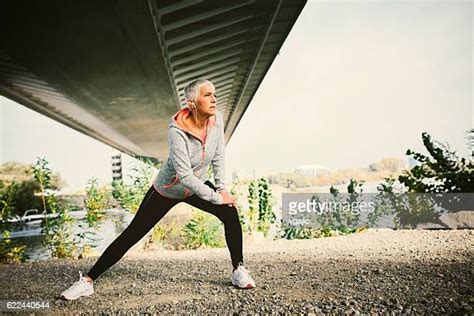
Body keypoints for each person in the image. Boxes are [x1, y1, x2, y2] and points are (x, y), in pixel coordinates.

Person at [59, 79, 256, 301]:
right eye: (207, 95)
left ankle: (238, 270)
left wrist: (222, 190)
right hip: (167, 190)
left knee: (230, 212)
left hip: (196, 188)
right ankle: (87, 281)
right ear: (192, 103)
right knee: (133, 233)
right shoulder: (177, 132)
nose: (214, 99)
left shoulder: (216, 120)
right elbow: (184, 176)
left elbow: (218, 156)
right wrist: (215, 197)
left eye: (214, 94)